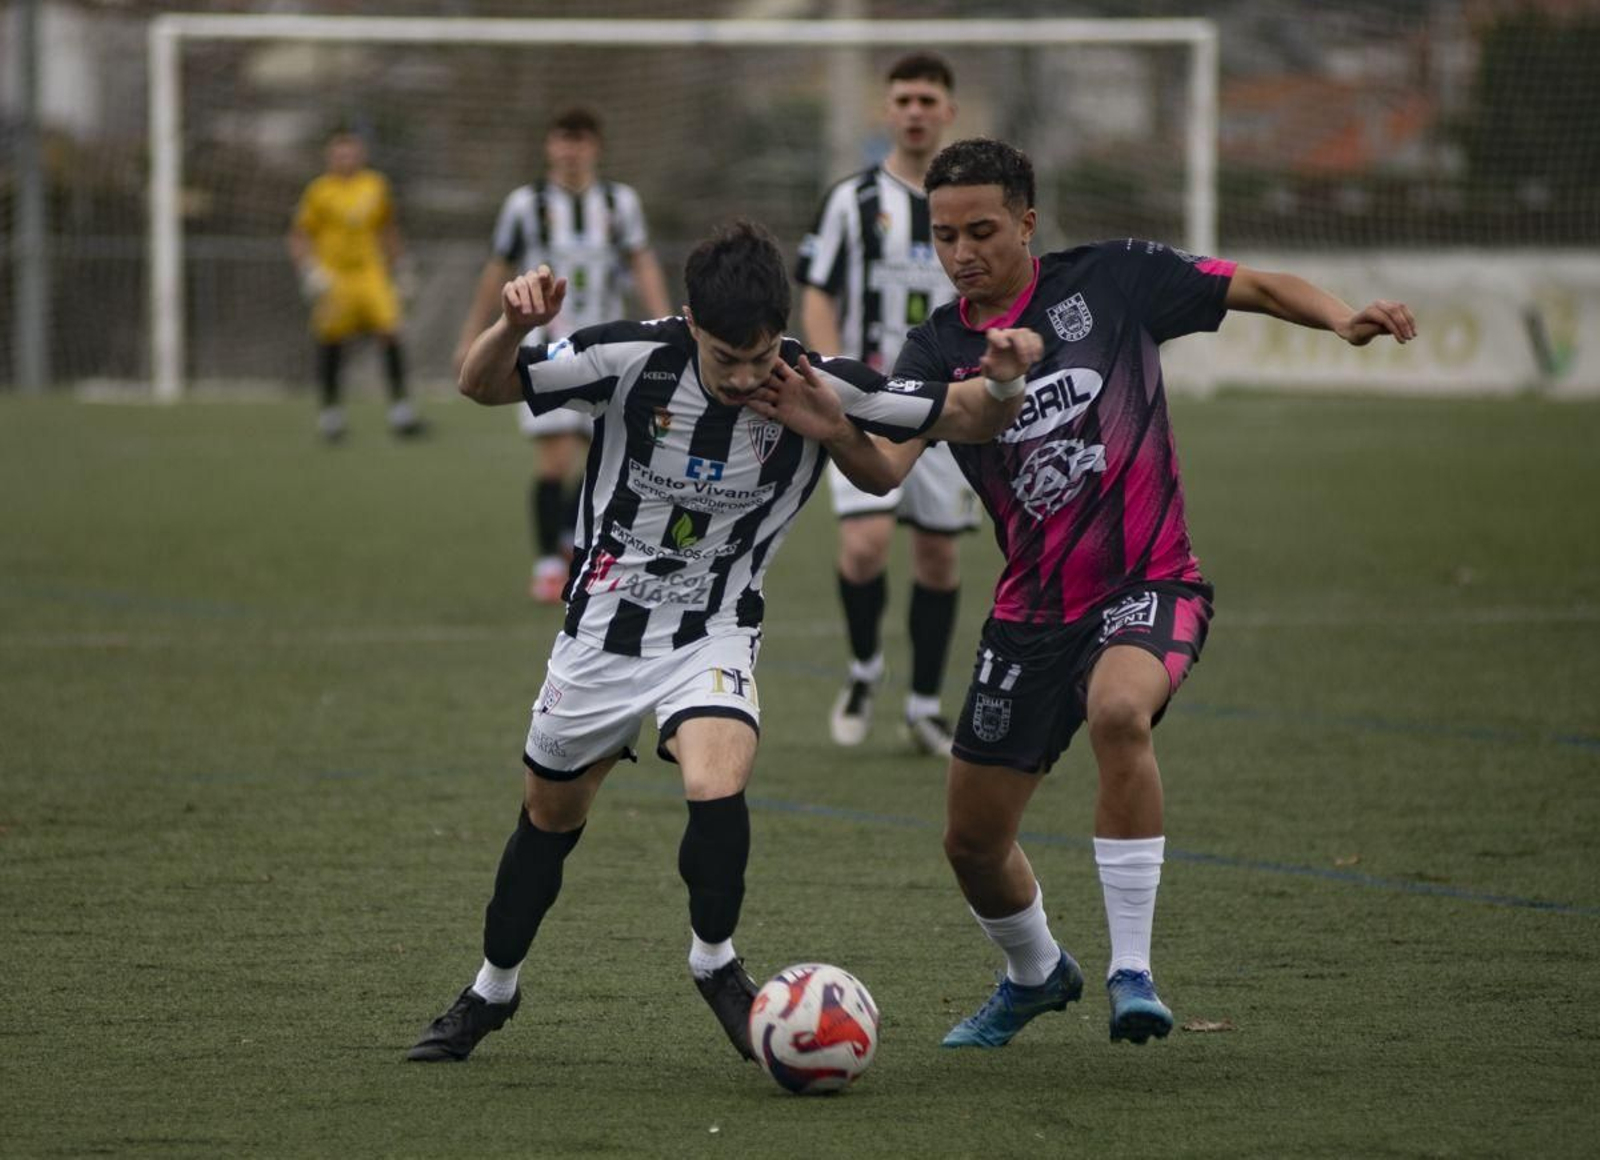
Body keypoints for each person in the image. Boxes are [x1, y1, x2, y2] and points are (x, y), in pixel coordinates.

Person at [765, 138, 1417, 1049]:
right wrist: (832, 426)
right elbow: (884, 471)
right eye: (944, 235)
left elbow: (1257, 286)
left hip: (1152, 579)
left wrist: (1345, 319)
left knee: (1120, 712)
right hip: (1032, 610)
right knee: (973, 844)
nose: (961, 253)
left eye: (982, 230)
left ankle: (1132, 971)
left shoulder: (1114, 281)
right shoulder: (936, 345)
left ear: (1027, 222)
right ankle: (1037, 975)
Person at [404, 220, 1042, 1065]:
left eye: (759, 355)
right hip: (601, 633)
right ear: (687, 322)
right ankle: (492, 990)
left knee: (717, 778)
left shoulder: (819, 383)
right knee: (549, 818)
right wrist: (515, 324)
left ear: (781, 330)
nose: (745, 377)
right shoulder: (629, 357)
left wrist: (1000, 384)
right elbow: (478, 384)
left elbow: (963, 415)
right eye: (722, 358)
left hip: (715, 627)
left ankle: (715, 963)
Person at [796, 51, 974, 757]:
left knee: (937, 558)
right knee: (865, 549)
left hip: (947, 406)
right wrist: (833, 378)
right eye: (903, 99)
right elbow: (815, 290)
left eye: (928, 99)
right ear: (887, 110)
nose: (915, 111)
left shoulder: (971, 205)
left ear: (949, 112)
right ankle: (865, 668)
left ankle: (925, 705)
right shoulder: (852, 201)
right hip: (868, 403)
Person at [453, 107, 672, 602]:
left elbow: (642, 262)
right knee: (554, 461)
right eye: (562, 140)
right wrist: (472, 334)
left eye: (580, 140)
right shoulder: (524, 205)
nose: (570, 150)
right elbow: (497, 270)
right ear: (549, 146)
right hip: (546, 348)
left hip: (609, 349)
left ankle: (570, 545)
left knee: (610, 454)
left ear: (596, 146)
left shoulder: (620, 203)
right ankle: (549, 564)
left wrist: (664, 325)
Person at [287, 128, 423, 441]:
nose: (345, 158)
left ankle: (401, 412)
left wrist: (401, 267)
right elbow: (299, 235)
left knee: (390, 332)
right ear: (330, 157)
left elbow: (388, 228)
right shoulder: (318, 191)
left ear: (360, 155)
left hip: (370, 273)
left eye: (350, 152)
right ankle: (331, 415)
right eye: (339, 153)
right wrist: (308, 270)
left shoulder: (375, 185)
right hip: (335, 277)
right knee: (332, 341)